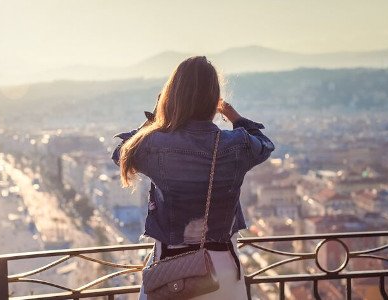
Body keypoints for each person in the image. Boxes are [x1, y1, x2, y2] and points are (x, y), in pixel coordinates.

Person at [111, 56, 274, 299]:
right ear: (214, 100)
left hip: (172, 271)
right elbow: (264, 144)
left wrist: (157, 116)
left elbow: (122, 152)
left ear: (172, 97)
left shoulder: (155, 145)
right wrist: (234, 116)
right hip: (224, 272)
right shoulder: (237, 144)